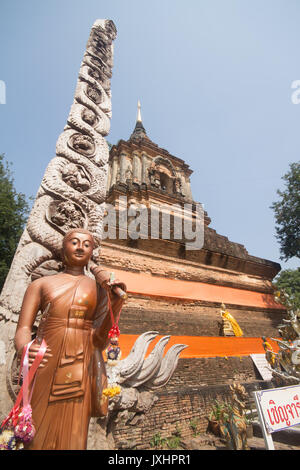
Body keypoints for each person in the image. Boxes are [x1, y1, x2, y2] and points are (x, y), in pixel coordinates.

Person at [14, 228, 126, 450]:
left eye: (87, 244)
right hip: (46, 359)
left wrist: (115, 303)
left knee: (75, 430)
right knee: (36, 426)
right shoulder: (41, 285)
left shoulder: (98, 288)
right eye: (74, 242)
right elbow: (23, 328)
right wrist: (24, 348)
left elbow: (99, 341)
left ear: (92, 251)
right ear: (63, 247)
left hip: (82, 359)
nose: (80, 247)